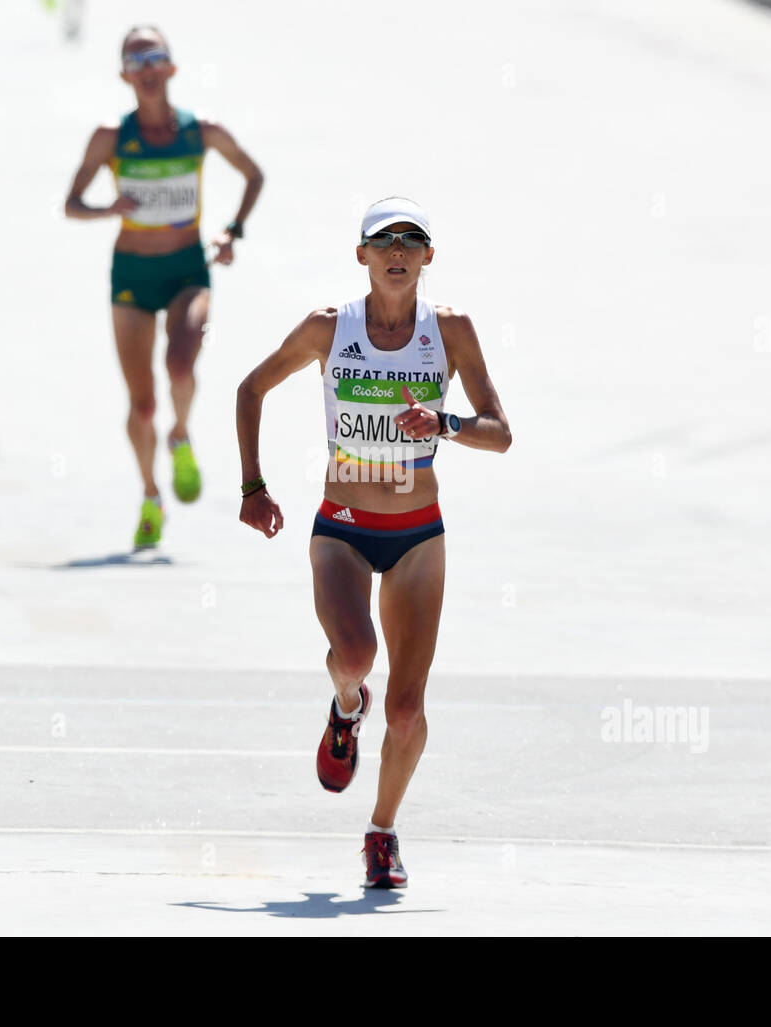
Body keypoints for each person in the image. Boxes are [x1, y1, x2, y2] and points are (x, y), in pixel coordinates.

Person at [236, 198, 512, 887]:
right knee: (356, 655)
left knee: (409, 707)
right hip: (344, 529)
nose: (397, 251)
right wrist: (253, 486)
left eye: (411, 241)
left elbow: (499, 431)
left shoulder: (451, 331)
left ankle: (382, 830)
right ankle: (344, 705)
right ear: (361, 255)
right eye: (383, 241)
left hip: (418, 533)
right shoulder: (331, 329)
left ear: (428, 257)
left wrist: (444, 422)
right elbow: (251, 388)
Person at [65, 25, 263, 548]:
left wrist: (231, 231)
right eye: (136, 60)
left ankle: (181, 435)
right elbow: (71, 203)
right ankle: (151, 495)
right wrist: (107, 208)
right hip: (131, 275)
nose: (147, 68)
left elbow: (253, 174)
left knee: (180, 363)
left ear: (171, 69)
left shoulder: (202, 132)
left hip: (186, 271)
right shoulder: (111, 137)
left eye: (156, 57)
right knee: (141, 405)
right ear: (125, 75)